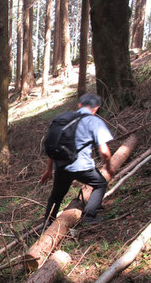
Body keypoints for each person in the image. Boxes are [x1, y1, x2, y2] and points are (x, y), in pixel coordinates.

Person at [40, 93, 115, 226]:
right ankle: (89, 216)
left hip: (61, 166)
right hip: (83, 167)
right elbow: (104, 152)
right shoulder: (94, 121)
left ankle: (46, 226)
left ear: (79, 105)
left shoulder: (62, 119)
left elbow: (54, 145)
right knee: (100, 184)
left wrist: (48, 170)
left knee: (56, 197)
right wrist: (108, 166)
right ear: (96, 108)